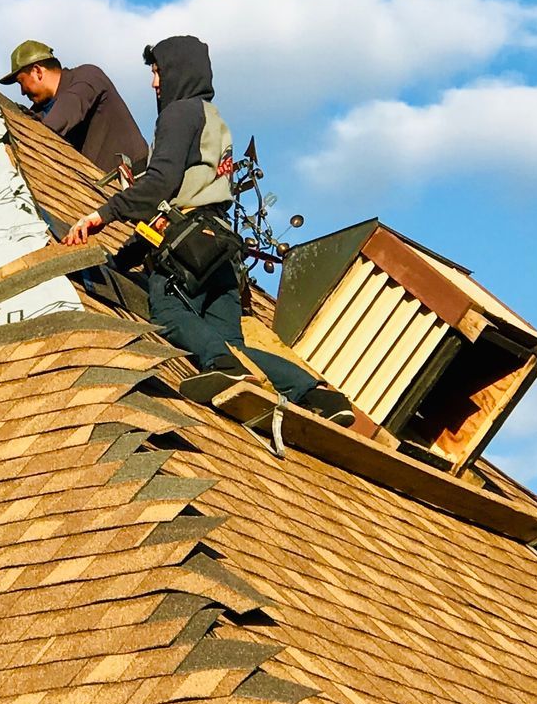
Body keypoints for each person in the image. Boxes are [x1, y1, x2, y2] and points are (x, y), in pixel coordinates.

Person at [61, 35, 358, 426]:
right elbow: (187, 199)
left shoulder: (178, 114)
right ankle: (314, 393)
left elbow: (161, 185)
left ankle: (222, 365)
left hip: (187, 249)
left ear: (177, 71)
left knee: (166, 312)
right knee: (231, 345)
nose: (154, 84)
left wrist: (100, 215)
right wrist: (124, 259)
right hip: (219, 250)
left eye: (157, 72)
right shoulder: (214, 120)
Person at [0, 39, 149, 179]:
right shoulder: (41, 110)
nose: (22, 92)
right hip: (96, 194)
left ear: (37, 71)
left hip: (137, 180)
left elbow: (57, 121)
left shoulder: (87, 77)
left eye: (21, 82)